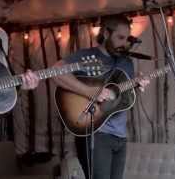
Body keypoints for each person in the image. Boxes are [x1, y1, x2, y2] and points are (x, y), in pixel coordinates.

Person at [52, 15, 149, 179]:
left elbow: (123, 99)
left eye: (127, 38)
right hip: (95, 133)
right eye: (120, 37)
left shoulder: (126, 63)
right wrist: (90, 92)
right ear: (105, 33)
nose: (125, 43)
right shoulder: (87, 56)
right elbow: (56, 72)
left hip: (120, 136)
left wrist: (137, 86)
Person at [0, 0, 40, 179]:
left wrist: (23, 84)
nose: (7, 13)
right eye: (4, 6)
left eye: (11, 8)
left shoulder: (1, 37)